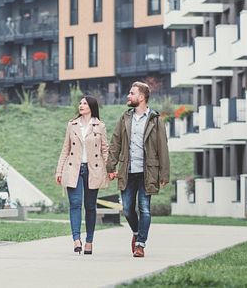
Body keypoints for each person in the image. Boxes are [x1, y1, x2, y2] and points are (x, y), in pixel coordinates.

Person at [107, 81, 170, 258]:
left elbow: (162, 148)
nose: (128, 96)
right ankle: (136, 232)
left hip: (147, 171)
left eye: (131, 93)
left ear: (141, 97)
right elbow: (115, 143)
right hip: (127, 170)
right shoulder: (125, 118)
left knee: (145, 208)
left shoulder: (156, 120)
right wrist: (110, 166)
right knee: (127, 208)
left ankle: (141, 244)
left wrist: (164, 173)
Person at [55, 95, 109, 255]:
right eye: (80, 103)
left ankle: (89, 241)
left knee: (90, 207)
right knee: (75, 204)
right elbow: (65, 149)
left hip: (93, 170)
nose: (81, 105)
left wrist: (111, 169)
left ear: (92, 106)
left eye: (84, 103)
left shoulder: (100, 126)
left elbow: (105, 149)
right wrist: (59, 170)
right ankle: (76, 239)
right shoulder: (72, 125)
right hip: (74, 169)